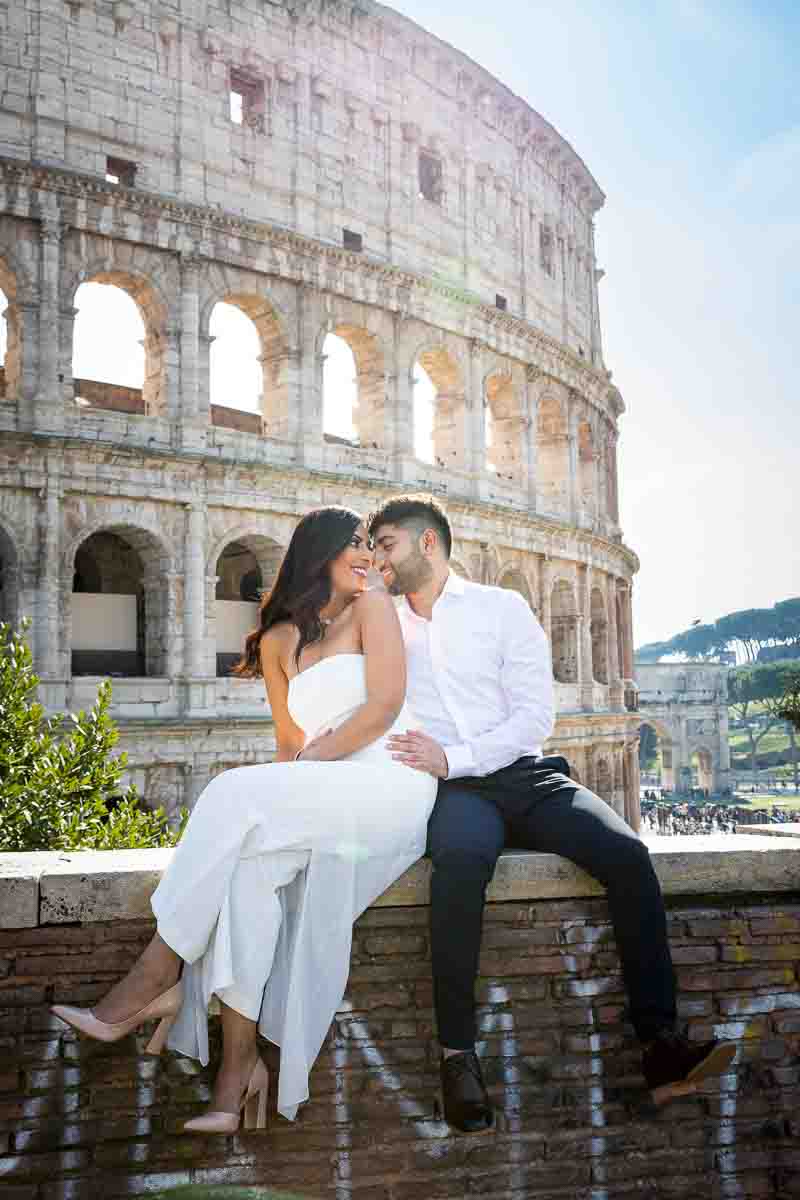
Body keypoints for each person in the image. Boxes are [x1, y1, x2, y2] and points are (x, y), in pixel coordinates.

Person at [51, 507, 436, 1131]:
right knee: (248, 875)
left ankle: (157, 971)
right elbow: (288, 744)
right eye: (356, 544)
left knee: (232, 791)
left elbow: (386, 706)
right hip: (326, 786)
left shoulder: (374, 608)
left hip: (390, 782)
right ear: (320, 553)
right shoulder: (281, 640)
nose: (369, 555)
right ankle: (236, 1078)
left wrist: (313, 761)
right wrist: (302, 767)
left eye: (371, 544)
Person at [368, 494, 736, 1133]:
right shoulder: (384, 623)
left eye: (387, 544)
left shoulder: (501, 608)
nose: (379, 559)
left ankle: (661, 1046)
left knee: (627, 856)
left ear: (428, 544)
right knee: (458, 867)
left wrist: (454, 756)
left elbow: (534, 718)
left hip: (522, 775)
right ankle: (457, 1058)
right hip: (456, 792)